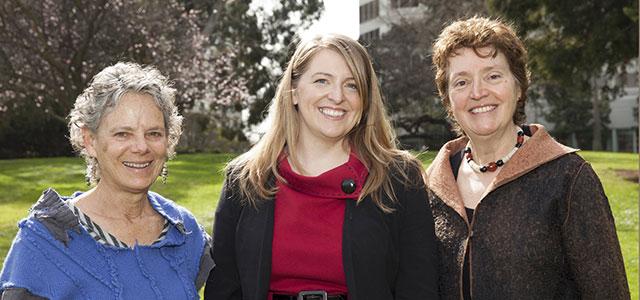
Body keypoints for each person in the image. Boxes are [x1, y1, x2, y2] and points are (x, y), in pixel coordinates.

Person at [204, 33, 439, 300]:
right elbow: (223, 290)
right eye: (321, 81)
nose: (337, 96)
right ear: (294, 91)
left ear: (365, 100)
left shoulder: (399, 179)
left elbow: (419, 289)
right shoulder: (245, 179)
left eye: (352, 85)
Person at [427, 16, 630, 299]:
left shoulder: (568, 178)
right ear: (448, 99)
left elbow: (608, 292)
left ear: (519, 87)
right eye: (461, 82)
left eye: (493, 76)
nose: (477, 92)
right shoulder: (430, 186)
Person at [0, 62, 214, 299]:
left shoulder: (185, 233)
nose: (141, 147)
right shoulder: (45, 241)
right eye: (123, 134)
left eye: (153, 133)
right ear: (89, 140)